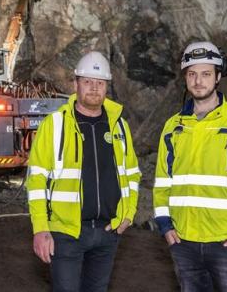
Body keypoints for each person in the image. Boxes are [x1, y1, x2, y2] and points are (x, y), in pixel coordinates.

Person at [153, 41, 227, 291]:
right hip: (184, 242)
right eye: (192, 74)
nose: (198, 81)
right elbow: (163, 181)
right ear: (185, 78)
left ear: (218, 77)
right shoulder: (173, 127)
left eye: (206, 74)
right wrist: (165, 224)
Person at [27, 51, 141, 292]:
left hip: (108, 232)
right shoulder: (55, 124)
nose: (93, 88)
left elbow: (131, 173)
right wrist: (40, 229)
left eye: (100, 83)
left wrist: (128, 214)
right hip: (66, 233)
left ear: (107, 87)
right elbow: (37, 180)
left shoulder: (119, 125)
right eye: (87, 81)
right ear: (75, 83)